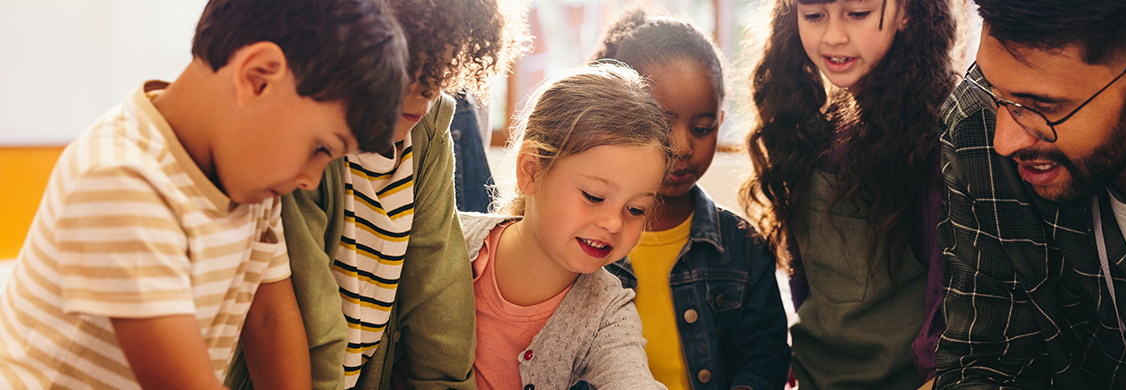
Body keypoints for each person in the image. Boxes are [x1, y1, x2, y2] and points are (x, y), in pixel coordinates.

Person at [0, 0, 408, 388]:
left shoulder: (249, 179)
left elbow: (269, 318)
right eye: (320, 148)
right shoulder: (122, 179)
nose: (312, 180)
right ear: (258, 77)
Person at [222, 0, 529, 389]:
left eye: (442, 69)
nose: (429, 88)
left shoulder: (430, 128)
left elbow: (437, 284)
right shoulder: (305, 148)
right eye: (413, 66)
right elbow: (306, 317)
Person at [935, 0, 1126, 388]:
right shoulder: (974, 124)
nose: (1004, 141)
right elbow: (984, 362)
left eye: (1040, 107)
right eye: (995, 89)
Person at [741, 0, 957, 388]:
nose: (833, 36)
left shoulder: (937, 136)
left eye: (857, 13)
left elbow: (950, 307)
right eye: (813, 15)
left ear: (908, 12)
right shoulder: (815, 124)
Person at [588, 9, 790, 390]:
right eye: (662, 124)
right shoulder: (585, 235)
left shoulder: (743, 247)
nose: (682, 147)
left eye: (702, 128)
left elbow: (764, 354)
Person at [460, 64, 670, 390]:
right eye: (594, 196)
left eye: (635, 209)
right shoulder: (448, 244)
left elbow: (630, 378)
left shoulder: (608, 313)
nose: (614, 223)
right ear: (530, 171)